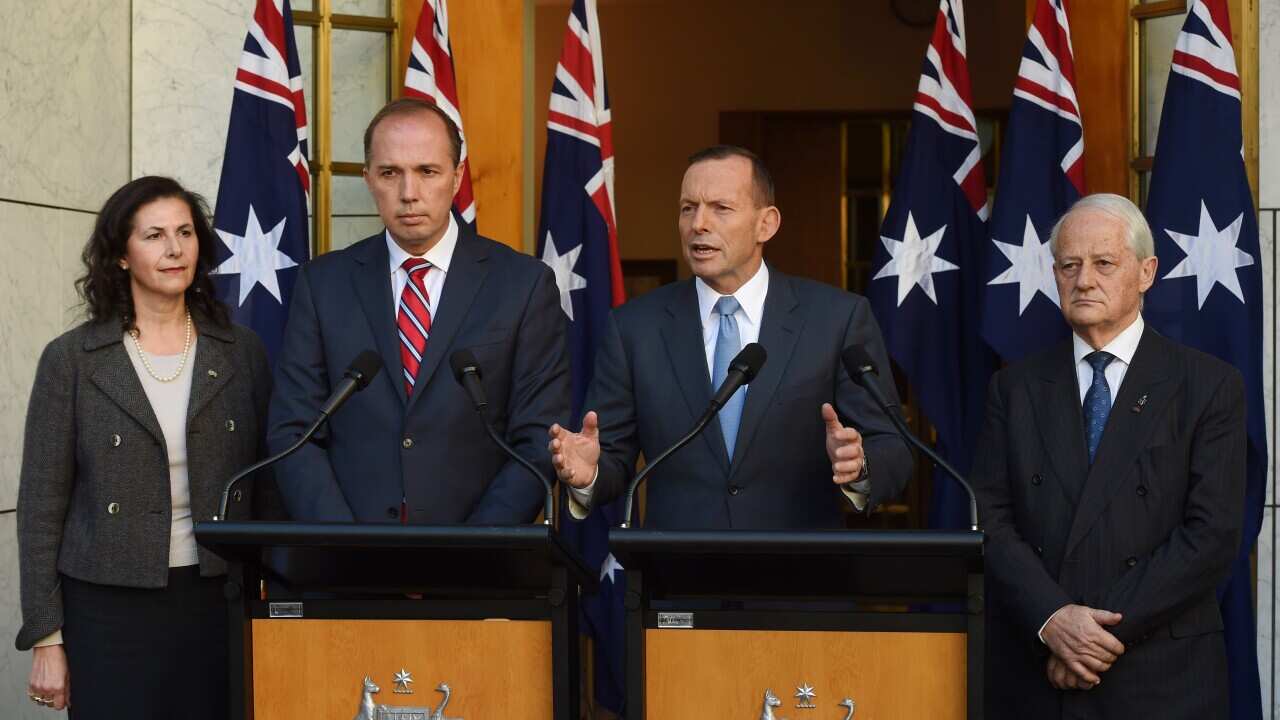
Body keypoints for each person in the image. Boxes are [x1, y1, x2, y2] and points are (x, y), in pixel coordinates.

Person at [972, 193, 1245, 718]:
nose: (1084, 280)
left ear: (1146, 273)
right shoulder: (1014, 388)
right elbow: (990, 520)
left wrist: (1089, 638)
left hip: (1160, 673)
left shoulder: (1207, 385)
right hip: (1036, 670)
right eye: (1069, 265)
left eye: (1103, 263)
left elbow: (1210, 535)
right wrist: (1053, 620)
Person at [548, 145, 912, 529]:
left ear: (766, 224)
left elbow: (894, 448)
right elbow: (612, 460)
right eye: (688, 208)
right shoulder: (634, 328)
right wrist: (588, 474)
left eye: (720, 208)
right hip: (679, 579)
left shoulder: (837, 319)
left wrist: (859, 465)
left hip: (796, 575)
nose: (698, 224)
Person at [16, 176, 272, 717]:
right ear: (121, 256)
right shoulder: (74, 359)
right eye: (153, 235)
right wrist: (47, 637)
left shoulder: (241, 351)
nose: (174, 249)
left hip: (218, 598)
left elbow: (268, 483)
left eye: (184, 232)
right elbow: (41, 508)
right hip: (107, 608)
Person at [268, 98, 569, 524]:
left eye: (427, 172)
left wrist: (472, 549)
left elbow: (538, 438)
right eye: (390, 173)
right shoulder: (322, 285)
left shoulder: (522, 285)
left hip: (478, 568)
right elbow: (294, 431)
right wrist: (344, 545)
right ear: (369, 179)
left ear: (457, 176)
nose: (409, 194)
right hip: (347, 565)